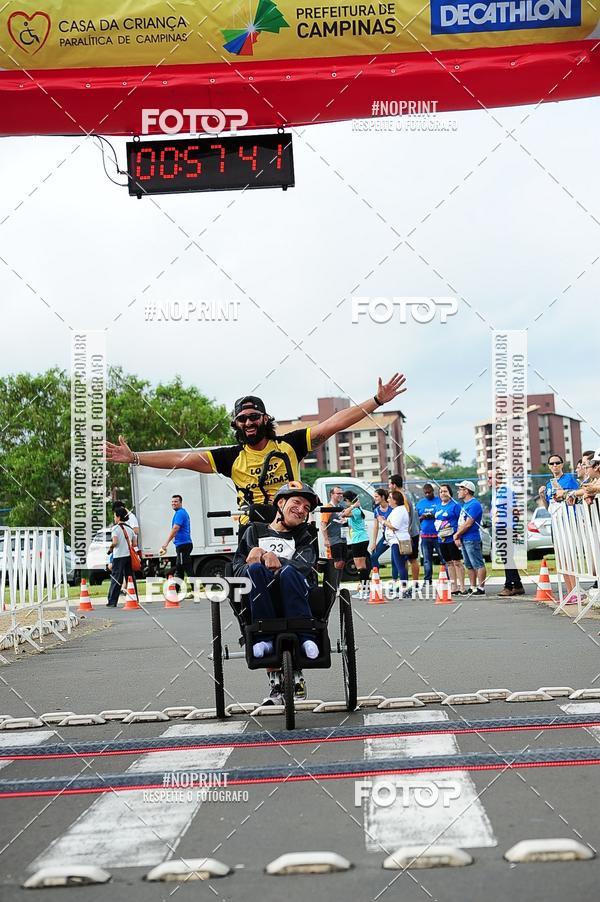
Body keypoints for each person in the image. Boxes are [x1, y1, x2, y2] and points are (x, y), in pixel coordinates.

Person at [105, 376, 407, 530]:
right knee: (244, 584)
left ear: (264, 419)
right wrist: (134, 457)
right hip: (252, 527)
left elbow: (333, 423)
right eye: (243, 418)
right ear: (236, 424)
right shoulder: (229, 458)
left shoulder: (290, 445)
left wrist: (377, 399)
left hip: (293, 524)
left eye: (254, 416)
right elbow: (180, 460)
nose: (249, 422)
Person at [232, 481, 320, 704]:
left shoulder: (304, 536)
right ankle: (267, 648)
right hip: (262, 597)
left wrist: (275, 559)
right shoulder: (253, 532)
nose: (302, 510)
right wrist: (260, 557)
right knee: (253, 570)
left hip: (294, 591)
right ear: (281, 503)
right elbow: (237, 569)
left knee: (290, 572)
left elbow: (304, 566)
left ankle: (305, 640)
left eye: (307, 509)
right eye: (297, 503)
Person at [488, 471, 525, 597]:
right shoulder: (496, 493)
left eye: (490, 477)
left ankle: (509, 586)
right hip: (499, 527)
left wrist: (515, 529)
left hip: (507, 528)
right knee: (506, 558)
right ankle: (518, 585)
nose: (488, 480)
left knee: (507, 557)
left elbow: (515, 511)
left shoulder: (506, 491)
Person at [454, 480, 486, 596]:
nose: (458, 492)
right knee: (468, 564)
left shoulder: (474, 504)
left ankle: (481, 587)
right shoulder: (465, 505)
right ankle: (472, 587)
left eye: (460, 489)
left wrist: (457, 534)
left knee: (477, 563)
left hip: (471, 538)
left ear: (466, 491)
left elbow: (468, 523)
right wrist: (459, 535)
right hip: (464, 538)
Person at [388, 474, 420, 590]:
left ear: (394, 485)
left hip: (410, 532)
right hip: (408, 532)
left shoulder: (402, 498)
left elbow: (405, 517)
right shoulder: (405, 494)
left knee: (412, 559)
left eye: (390, 484)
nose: (389, 486)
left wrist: (408, 534)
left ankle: (415, 584)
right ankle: (404, 583)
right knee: (404, 560)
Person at [434, 484, 466, 595]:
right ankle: (454, 586)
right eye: (441, 491)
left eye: (445, 491)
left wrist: (458, 536)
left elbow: (461, 521)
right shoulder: (438, 506)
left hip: (452, 537)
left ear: (450, 493)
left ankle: (462, 586)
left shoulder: (455, 506)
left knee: (457, 562)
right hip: (441, 538)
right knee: (448, 563)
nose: (443, 493)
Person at [159, 495, 193, 586]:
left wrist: (166, 543)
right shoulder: (180, 513)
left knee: (185, 567)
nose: (173, 503)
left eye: (176, 501)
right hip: (182, 544)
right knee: (180, 568)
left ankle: (195, 589)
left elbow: (175, 528)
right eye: (172, 502)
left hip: (183, 545)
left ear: (181, 503)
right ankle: (177, 590)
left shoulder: (180, 513)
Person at [107, 506, 137, 608]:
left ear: (119, 517)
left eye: (115, 516)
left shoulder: (115, 528)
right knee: (130, 577)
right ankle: (134, 598)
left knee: (116, 578)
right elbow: (134, 544)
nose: (114, 518)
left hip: (119, 556)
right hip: (128, 556)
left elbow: (115, 542)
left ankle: (112, 601)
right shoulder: (130, 529)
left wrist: (110, 548)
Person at [342, 490, 370, 597]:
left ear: (348, 500)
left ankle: (364, 590)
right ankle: (366, 589)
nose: (345, 504)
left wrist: (353, 506)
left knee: (360, 566)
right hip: (360, 539)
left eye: (346, 501)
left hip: (359, 540)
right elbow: (345, 517)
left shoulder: (356, 510)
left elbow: (344, 513)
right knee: (362, 566)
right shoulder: (356, 510)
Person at [384, 490, 412, 594]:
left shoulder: (399, 510)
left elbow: (394, 526)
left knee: (400, 565)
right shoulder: (398, 510)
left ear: (395, 500)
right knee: (399, 564)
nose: (388, 500)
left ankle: (404, 588)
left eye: (390, 498)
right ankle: (402, 585)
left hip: (398, 541)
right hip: (396, 540)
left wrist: (383, 521)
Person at [416, 484, 440, 586]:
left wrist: (433, 516)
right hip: (425, 536)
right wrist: (423, 517)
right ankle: (427, 579)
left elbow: (442, 514)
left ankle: (447, 577)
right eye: (425, 493)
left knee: (443, 558)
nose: (427, 494)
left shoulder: (439, 501)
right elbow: (416, 519)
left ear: (433, 491)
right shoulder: (420, 503)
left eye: (429, 492)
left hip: (438, 535)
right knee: (426, 559)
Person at [369, 488, 397, 578]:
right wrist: (373, 542)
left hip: (394, 537)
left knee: (394, 560)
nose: (375, 499)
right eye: (374, 497)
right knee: (373, 556)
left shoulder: (392, 508)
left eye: (376, 496)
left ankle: (395, 581)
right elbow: (376, 527)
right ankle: (376, 578)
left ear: (383, 497)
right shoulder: (377, 510)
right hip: (386, 537)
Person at [320, 486, 347, 573]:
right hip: (334, 539)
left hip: (343, 539)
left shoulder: (341, 507)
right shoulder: (328, 507)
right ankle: (332, 584)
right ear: (332, 494)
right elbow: (323, 523)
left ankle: (338, 585)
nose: (341, 495)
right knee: (337, 563)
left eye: (342, 493)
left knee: (342, 563)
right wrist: (326, 539)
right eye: (338, 493)